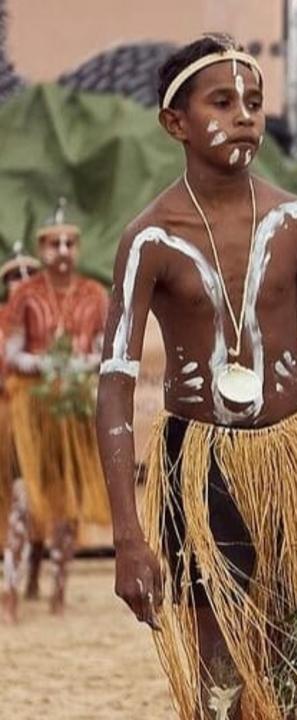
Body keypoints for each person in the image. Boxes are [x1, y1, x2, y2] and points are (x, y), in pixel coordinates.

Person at [95, 34, 297, 719]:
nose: (245, 116)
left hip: (290, 458)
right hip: (197, 466)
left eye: (254, 102)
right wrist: (128, 536)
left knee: (292, 666)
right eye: (222, 101)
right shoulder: (149, 239)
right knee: (221, 677)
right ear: (176, 123)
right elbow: (113, 382)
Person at [1, 200, 109, 620]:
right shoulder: (25, 296)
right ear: (42, 248)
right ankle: (11, 595)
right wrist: (46, 363)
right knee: (24, 500)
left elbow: (102, 351)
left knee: (66, 507)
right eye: (54, 243)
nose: (62, 250)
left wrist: (80, 365)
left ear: (77, 248)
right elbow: (13, 354)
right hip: (31, 409)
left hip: (73, 409)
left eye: (69, 243)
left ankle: (58, 595)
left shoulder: (95, 295)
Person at [0, 253, 38, 623]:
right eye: (16, 276)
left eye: (29, 275)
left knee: (23, 505)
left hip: (29, 428)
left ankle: (14, 589)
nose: (23, 281)